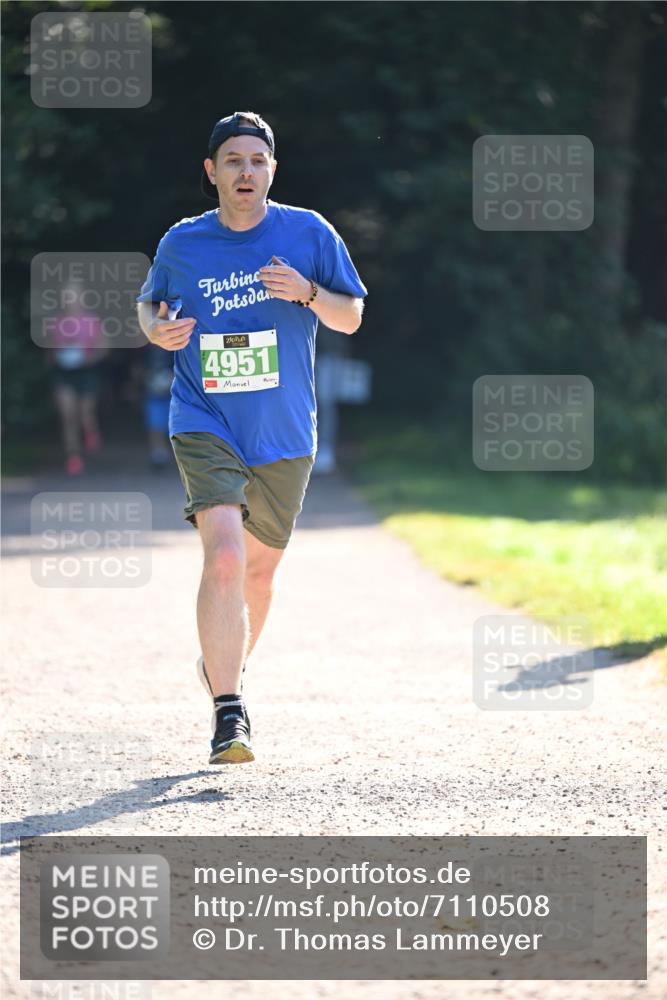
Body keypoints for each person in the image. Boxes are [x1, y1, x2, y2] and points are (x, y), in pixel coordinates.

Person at [136, 111, 367, 765]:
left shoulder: (308, 233)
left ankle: (221, 667)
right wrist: (158, 330)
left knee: (259, 575)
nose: (245, 171)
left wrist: (306, 292)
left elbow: (349, 316)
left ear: (272, 169)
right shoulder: (183, 242)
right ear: (212, 172)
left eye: (256, 160)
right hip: (204, 418)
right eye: (232, 160)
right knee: (227, 557)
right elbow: (150, 304)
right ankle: (229, 711)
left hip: (285, 431)